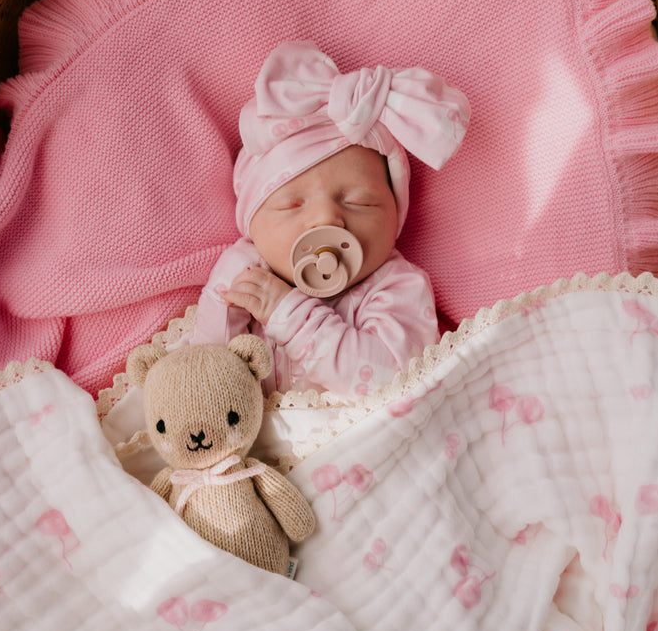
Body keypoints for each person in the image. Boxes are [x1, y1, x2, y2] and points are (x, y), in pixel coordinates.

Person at [189, 40, 470, 396]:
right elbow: (204, 381)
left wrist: (288, 313)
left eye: (360, 202)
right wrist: (223, 300)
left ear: (395, 216)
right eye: (292, 205)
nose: (327, 218)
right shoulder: (251, 275)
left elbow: (393, 383)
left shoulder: (398, 288)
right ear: (252, 227)